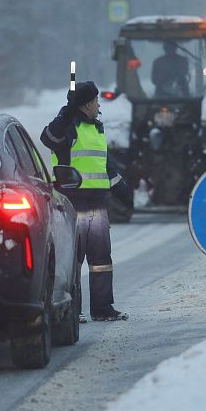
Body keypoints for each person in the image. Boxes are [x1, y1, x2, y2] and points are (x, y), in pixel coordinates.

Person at [40, 81, 131, 322]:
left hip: (98, 204)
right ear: (88, 104)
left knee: (101, 259)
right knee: (72, 258)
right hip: (72, 204)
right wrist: (65, 113)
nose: (99, 105)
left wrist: (120, 186)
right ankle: (71, 309)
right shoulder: (68, 126)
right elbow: (48, 138)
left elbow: (104, 165)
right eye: (96, 101)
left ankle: (102, 309)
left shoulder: (97, 129)